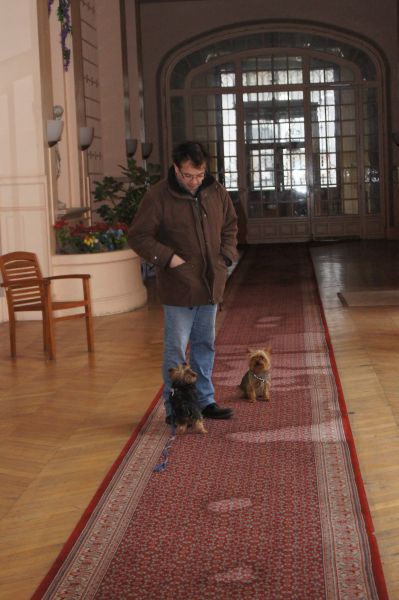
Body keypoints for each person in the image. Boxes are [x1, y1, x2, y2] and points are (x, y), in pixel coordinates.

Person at [128, 141, 238, 422]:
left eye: (199, 175)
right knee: (176, 350)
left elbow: (230, 225)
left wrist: (225, 257)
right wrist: (169, 258)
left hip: (210, 283)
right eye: (188, 175)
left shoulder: (215, 191)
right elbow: (138, 236)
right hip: (178, 285)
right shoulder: (158, 196)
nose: (194, 181)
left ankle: (205, 401)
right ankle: (176, 408)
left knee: (205, 344)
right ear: (176, 169)